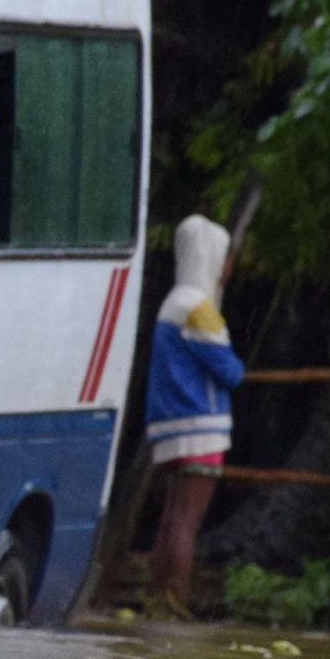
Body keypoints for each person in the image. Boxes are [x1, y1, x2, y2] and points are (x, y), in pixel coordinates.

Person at [141, 213, 244, 614]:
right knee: (187, 519)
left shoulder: (172, 301)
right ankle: (175, 602)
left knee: (171, 516)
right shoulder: (199, 309)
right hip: (201, 425)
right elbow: (231, 372)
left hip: (169, 424)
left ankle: (157, 598)